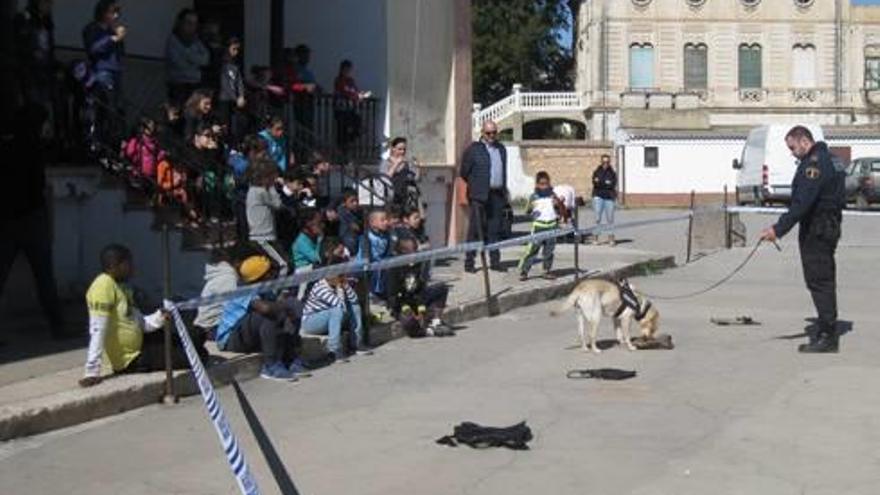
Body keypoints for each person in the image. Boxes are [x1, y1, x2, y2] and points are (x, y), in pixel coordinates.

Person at [760, 126, 846, 354]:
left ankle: (828, 336)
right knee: (824, 278)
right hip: (829, 225)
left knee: (819, 280)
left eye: (793, 147)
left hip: (817, 229)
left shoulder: (814, 165)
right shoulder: (833, 160)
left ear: (805, 141)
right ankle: (826, 326)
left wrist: (777, 229)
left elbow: (802, 204)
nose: (792, 152)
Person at [79, 244, 206, 388]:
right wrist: (91, 371)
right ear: (116, 265)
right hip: (132, 359)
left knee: (196, 334)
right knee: (197, 356)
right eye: (129, 263)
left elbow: (140, 323)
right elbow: (98, 330)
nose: (133, 268)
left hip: (143, 342)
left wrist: (159, 317)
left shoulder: (122, 287)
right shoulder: (102, 286)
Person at [0, 103, 67, 339]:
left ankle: (58, 324)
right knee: (44, 276)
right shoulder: (32, 148)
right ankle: (57, 326)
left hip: (8, 218)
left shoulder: (9, 145)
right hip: (30, 217)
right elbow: (39, 185)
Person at [216, 255, 305, 381]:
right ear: (261, 276)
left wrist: (289, 305)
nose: (274, 273)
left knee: (292, 306)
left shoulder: (265, 290)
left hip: (250, 337)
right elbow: (266, 309)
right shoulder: (245, 290)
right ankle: (270, 365)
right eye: (270, 271)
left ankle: (290, 358)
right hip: (231, 340)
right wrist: (284, 306)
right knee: (270, 313)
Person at [461, 120, 509, 273]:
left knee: (494, 229)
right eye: (488, 133)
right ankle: (469, 263)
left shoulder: (501, 149)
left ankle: (495, 262)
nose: (492, 136)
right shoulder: (473, 150)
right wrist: (476, 186)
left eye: (494, 132)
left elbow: (503, 170)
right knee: (475, 230)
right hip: (479, 195)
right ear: (482, 133)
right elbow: (464, 172)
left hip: (497, 195)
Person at [300, 258, 371, 360]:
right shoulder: (321, 287)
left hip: (332, 317)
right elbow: (339, 305)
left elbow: (354, 300)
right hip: (311, 323)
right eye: (339, 275)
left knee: (355, 307)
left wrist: (345, 286)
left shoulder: (340, 283)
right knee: (337, 310)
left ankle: (356, 343)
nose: (342, 278)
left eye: (343, 275)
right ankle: (333, 350)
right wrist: (340, 288)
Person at [386, 237, 453, 338]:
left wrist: (420, 308)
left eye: (416, 251)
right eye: (413, 251)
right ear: (403, 253)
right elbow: (392, 296)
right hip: (402, 305)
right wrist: (406, 309)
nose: (416, 254)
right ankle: (427, 332)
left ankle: (435, 321)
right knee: (408, 321)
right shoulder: (394, 269)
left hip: (416, 300)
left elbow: (420, 287)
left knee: (441, 288)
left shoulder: (418, 264)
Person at [82, 0, 125, 147]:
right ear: (103, 13)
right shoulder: (92, 29)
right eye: (112, 12)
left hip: (116, 71)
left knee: (114, 110)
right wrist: (112, 39)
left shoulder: (112, 30)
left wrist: (116, 35)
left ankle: (110, 143)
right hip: (102, 72)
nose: (115, 15)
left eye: (117, 12)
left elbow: (120, 53)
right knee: (101, 109)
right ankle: (94, 142)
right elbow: (94, 48)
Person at [518, 171, 565, 281]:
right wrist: (532, 209)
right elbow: (527, 211)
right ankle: (524, 271)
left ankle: (546, 270)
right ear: (537, 184)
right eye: (542, 184)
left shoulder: (553, 195)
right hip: (539, 226)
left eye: (546, 184)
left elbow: (561, 210)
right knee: (532, 249)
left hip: (551, 225)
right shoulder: (534, 196)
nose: (544, 187)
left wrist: (558, 204)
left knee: (549, 250)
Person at [246, 157, 289, 276]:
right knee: (283, 264)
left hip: (264, 236)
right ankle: (277, 291)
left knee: (270, 267)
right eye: (273, 176)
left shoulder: (253, 190)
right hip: (262, 237)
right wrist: (272, 187)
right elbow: (278, 204)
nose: (275, 178)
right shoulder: (261, 191)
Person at [14, 0, 56, 118]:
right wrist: (32, 52)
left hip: (45, 70)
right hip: (30, 71)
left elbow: (50, 46)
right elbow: (19, 43)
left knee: (44, 106)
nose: (49, 5)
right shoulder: (24, 18)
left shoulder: (47, 21)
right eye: (46, 2)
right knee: (33, 107)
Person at [165, 8, 209, 106]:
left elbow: (205, 59)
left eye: (194, 23)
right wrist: (195, 61)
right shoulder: (173, 40)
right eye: (189, 23)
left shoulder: (196, 40)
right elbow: (179, 64)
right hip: (178, 86)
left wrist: (187, 55)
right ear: (180, 22)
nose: (192, 27)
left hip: (196, 84)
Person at [357, 208, 392, 298]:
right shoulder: (366, 237)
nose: (386, 222)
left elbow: (387, 251)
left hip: (380, 264)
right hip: (366, 266)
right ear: (372, 223)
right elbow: (365, 255)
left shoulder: (387, 235)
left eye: (387, 219)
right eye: (382, 220)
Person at [334, 59, 368, 148]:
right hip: (341, 109)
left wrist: (360, 95)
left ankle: (346, 142)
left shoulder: (351, 81)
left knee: (358, 125)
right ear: (341, 69)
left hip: (350, 108)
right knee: (342, 131)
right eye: (346, 69)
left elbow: (355, 91)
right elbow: (345, 91)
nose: (348, 71)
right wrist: (356, 95)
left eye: (349, 70)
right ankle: (342, 151)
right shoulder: (338, 80)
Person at [218, 37, 246, 144]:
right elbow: (224, 83)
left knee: (237, 125)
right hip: (224, 99)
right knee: (225, 125)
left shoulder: (235, 64)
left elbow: (239, 81)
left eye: (238, 49)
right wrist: (236, 98)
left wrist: (241, 95)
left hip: (235, 100)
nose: (236, 52)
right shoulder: (222, 64)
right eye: (234, 49)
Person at [384, 137, 419, 210]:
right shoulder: (385, 163)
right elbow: (385, 178)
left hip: (406, 198)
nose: (402, 152)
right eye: (399, 149)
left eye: (404, 149)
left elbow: (416, 178)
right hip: (391, 197)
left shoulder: (408, 163)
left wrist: (417, 167)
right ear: (393, 148)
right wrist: (396, 164)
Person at [592, 154, 618, 246]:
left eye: (607, 162)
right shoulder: (596, 171)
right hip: (598, 196)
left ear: (609, 162)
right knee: (597, 218)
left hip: (609, 197)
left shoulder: (612, 173)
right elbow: (595, 183)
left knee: (610, 219)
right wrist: (605, 183)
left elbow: (612, 184)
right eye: (604, 162)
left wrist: (602, 182)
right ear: (601, 162)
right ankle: (595, 238)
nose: (605, 164)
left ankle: (611, 238)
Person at [337, 188, 362, 256]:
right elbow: (355, 227)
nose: (355, 203)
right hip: (347, 240)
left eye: (357, 200)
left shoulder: (356, 212)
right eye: (352, 201)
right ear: (344, 203)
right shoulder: (343, 211)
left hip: (355, 239)